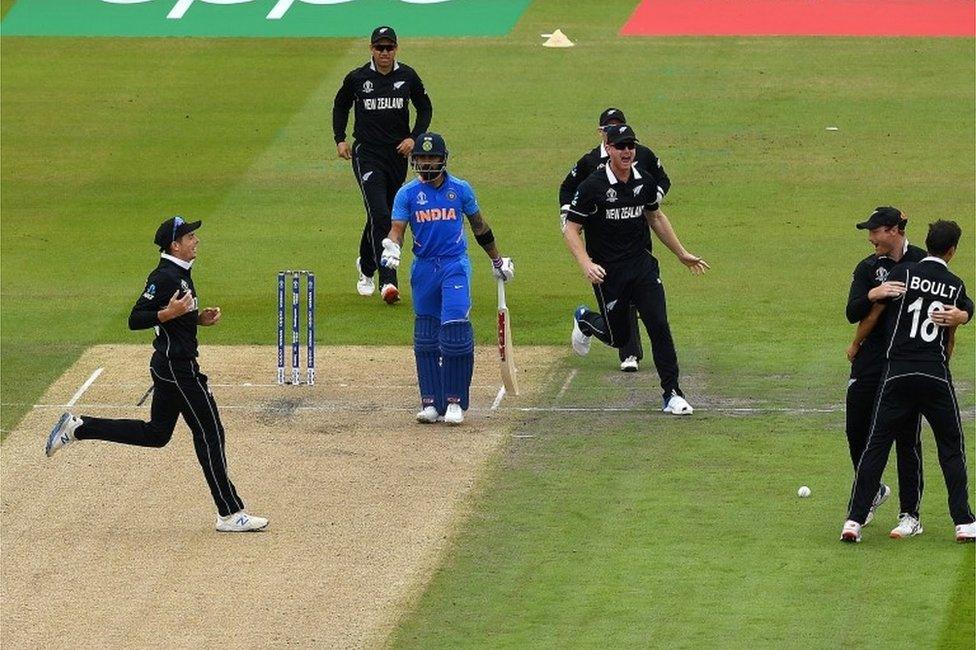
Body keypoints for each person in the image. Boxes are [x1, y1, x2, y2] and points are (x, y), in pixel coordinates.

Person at [44, 216, 268, 533]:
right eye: (190, 236)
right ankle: (229, 513)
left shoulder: (180, 273)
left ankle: (79, 427)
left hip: (170, 366)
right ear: (174, 245)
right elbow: (136, 318)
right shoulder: (164, 277)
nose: (196, 240)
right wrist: (168, 314)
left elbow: (173, 319)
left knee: (157, 434)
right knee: (210, 432)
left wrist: (196, 319)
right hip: (178, 369)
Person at [841, 220, 975, 543]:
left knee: (876, 446)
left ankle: (854, 521)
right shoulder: (955, 286)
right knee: (951, 449)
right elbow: (954, 330)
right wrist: (962, 317)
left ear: (926, 244)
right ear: (952, 251)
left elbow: (873, 316)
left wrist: (856, 344)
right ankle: (964, 522)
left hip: (897, 374)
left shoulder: (903, 273)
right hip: (934, 375)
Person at [563, 124, 708, 416]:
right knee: (618, 338)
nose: (627, 151)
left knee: (659, 325)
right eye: (620, 146)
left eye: (630, 145)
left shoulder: (645, 181)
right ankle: (586, 320)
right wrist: (586, 264)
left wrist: (681, 254)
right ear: (610, 150)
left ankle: (672, 393)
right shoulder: (592, 186)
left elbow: (655, 217)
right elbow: (571, 228)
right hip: (608, 273)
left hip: (642, 267)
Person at [380, 132, 514, 425]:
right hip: (424, 267)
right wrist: (392, 247)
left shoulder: (460, 190)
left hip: (454, 266)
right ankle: (430, 402)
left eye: (432, 158)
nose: (427, 163)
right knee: (426, 337)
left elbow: (480, 227)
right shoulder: (407, 194)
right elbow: (397, 230)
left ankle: (455, 401)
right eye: (422, 158)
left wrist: (497, 260)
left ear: (443, 160)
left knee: (454, 331)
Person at [558, 107, 672, 373]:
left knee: (643, 302)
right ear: (603, 136)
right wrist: (569, 214)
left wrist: (652, 198)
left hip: (638, 240)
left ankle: (633, 356)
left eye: (621, 128)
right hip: (605, 250)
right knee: (618, 316)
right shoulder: (590, 163)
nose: (625, 149)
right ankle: (592, 324)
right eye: (610, 129)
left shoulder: (640, 155)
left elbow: (660, 183)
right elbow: (568, 189)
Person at [332, 25, 433, 305]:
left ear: (396, 49)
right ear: (371, 49)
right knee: (382, 215)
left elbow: (425, 107)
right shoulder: (358, 78)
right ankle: (388, 280)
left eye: (389, 48)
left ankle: (366, 266)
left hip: (397, 156)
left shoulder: (407, 76)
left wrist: (414, 138)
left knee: (381, 214)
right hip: (367, 154)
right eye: (380, 48)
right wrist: (340, 139)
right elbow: (340, 106)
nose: (384, 53)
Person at [844, 207, 926, 528]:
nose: (870, 239)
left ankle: (910, 514)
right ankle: (873, 490)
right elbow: (852, 312)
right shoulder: (867, 268)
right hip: (871, 360)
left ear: (893, 231)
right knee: (857, 430)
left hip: (907, 360)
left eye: (875, 232)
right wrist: (874, 294)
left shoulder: (921, 262)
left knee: (907, 437)